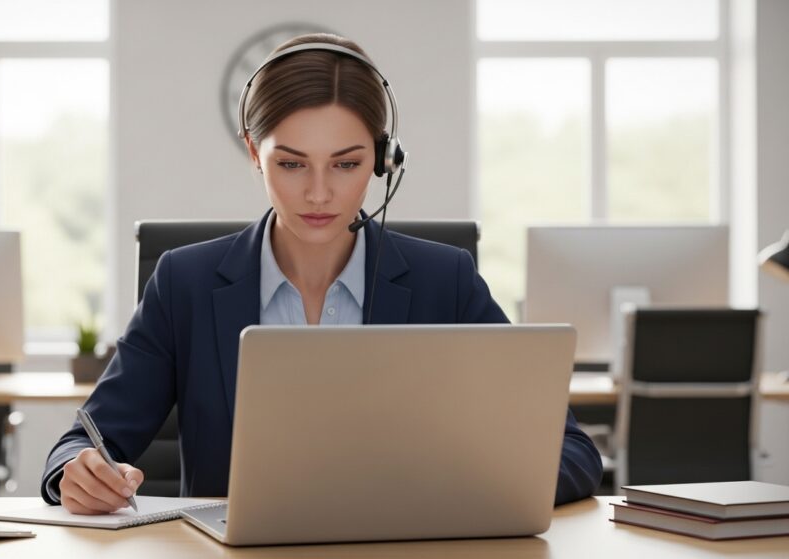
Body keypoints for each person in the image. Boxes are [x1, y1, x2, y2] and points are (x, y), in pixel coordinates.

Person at [41, 33, 602, 514]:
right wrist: (78, 472)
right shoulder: (183, 283)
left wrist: (458, 494)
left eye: (346, 163)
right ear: (254, 154)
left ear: (384, 161)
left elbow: (570, 449)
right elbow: (83, 442)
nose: (318, 193)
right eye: (290, 163)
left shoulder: (445, 281)